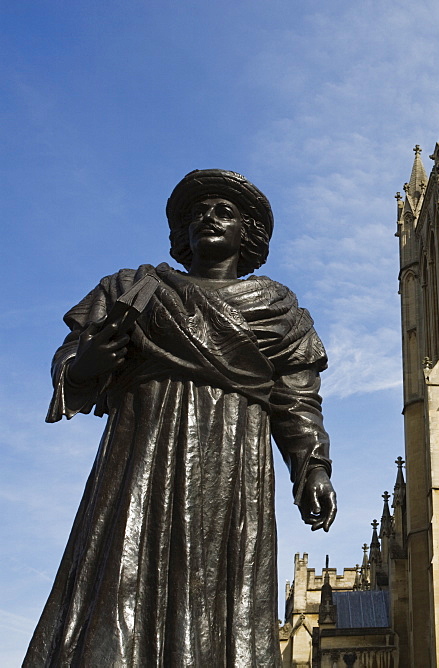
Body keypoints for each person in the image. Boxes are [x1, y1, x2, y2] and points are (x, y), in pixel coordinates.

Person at [25, 170, 337, 666]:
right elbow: (70, 362)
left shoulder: (278, 312)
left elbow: (297, 399)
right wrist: (85, 365)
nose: (208, 219)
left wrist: (313, 466)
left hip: (233, 466)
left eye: (224, 212)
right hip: (141, 461)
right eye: (198, 213)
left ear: (247, 233)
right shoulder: (135, 290)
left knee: (224, 598)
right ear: (182, 234)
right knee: (124, 583)